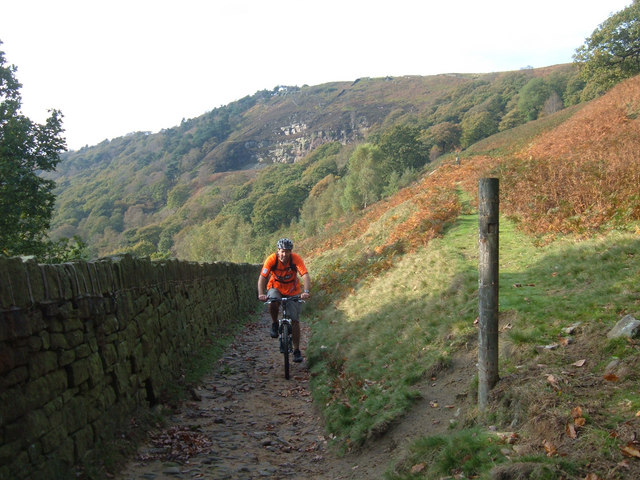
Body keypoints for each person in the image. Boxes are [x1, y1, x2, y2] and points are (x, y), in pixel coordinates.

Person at [257, 238, 311, 363]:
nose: (284, 254)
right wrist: (261, 294)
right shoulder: (272, 259)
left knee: (295, 321)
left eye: (287, 252)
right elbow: (262, 277)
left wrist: (306, 291)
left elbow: (305, 275)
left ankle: (296, 350)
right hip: (275, 287)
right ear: (278, 251)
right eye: (282, 251)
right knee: (272, 301)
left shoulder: (295, 259)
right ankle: (275, 323)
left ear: (290, 252)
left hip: (292, 290)